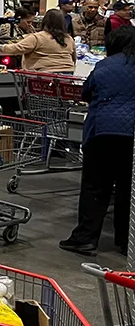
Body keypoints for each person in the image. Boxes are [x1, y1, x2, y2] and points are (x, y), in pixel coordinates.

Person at [60, 26, 135, 256]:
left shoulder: (104, 65)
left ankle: (85, 238)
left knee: (95, 186)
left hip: (102, 133)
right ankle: (126, 242)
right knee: (128, 190)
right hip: (132, 137)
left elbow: (86, 92)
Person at [0, 9, 75, 73]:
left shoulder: (37, 37)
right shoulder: (69, 38)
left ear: (45, 22)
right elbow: (74, 57)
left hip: (43, 73)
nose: (30, 24)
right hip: (68, 72)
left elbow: (16, 49)